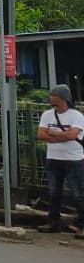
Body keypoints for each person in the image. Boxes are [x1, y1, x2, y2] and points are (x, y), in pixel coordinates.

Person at [36, 85, 84, 236]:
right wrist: (59, 136)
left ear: (62, 98)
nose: (50, 97)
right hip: (53, 158)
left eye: (53, 95)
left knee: (78, 193)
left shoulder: (76, 116)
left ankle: (82, 225)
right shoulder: (47, 115)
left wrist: (51, 134)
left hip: (73, 159)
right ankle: (53, 222)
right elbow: (41, 134)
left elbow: (72, 135)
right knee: (54, 193)